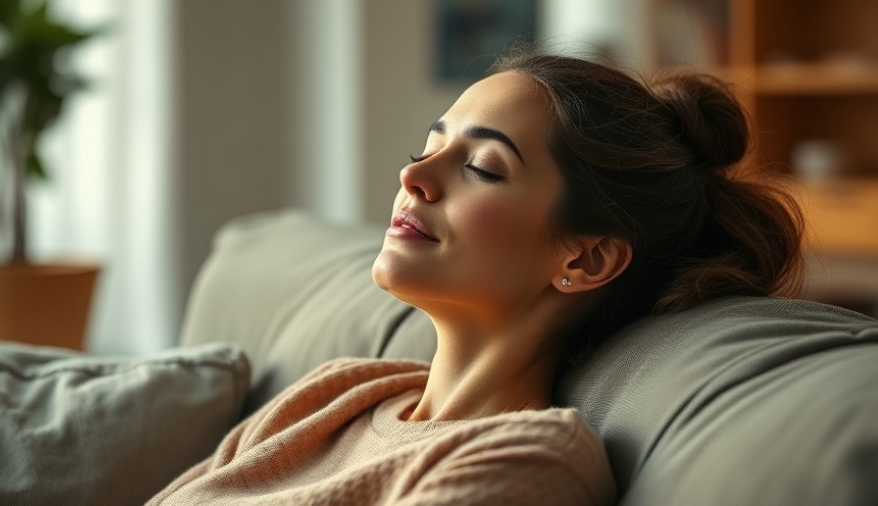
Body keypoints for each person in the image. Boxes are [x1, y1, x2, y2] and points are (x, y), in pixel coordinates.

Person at [147, 47, 802, 505]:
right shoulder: (337, 395)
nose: (413, 177)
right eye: (429, 148)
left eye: (483, 167)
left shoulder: (525, 464)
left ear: (585, 259)